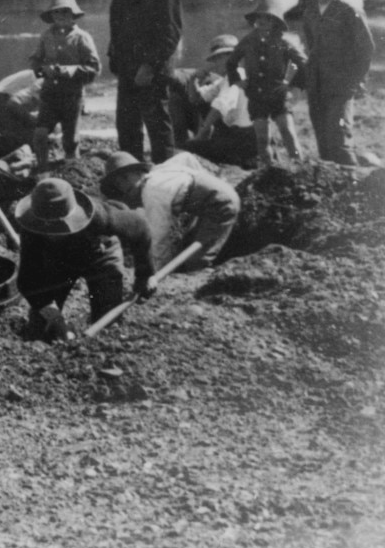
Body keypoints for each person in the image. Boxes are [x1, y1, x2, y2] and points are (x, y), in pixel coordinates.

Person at [13, 176, 153, 342]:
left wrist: (145, 275)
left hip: (99, 254)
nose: (52, 234)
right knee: (40, 329)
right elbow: (27, 281)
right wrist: (57, 320)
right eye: (47, 230)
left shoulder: (100, 217)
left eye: (58, 228)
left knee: (107, 324)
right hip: (58, 261)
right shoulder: (31, 229)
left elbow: (140, 227)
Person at [107, 0, 183, 165]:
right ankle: (133, 172)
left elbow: (171, 33)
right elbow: (118, 20)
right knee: (126, 124)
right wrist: (114, 55)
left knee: (157, 124)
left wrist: (149, 66)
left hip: (152, 69)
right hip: (127, 65)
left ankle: (165, 174)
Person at [100, 151, 240, 275]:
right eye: (118, 184)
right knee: (186, 243)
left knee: (195, 262)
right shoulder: (161, 170)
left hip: (221, 206)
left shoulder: (151, 192)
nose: (123, 186)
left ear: (137, 172)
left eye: (124, 178)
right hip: (219, 196)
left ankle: (203, 283)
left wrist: (155, 273)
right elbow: (187, 157)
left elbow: (160, 239)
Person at [294, 0, 375, 166]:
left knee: (338, 137)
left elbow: (365, 49)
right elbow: (311, 48)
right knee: (322, 140)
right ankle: (331, 187)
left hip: (341, 84)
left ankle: (353, 184)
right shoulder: (310, 13)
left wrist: (355, 81)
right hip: (318, 84)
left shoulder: (348, 10)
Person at [231, 0, 309, 167]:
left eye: (268, 18)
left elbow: (304, 64)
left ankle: (299, 168)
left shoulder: (284, 42)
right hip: (256, 95)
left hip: (278, 94)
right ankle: (268, 169)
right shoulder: (248, 41)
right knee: (262, 138)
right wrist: (237, 80)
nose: (263, 22)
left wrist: (295, 87)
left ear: (276, 21)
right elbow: (231, 62)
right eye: (259, 18)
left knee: (288, 132)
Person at [29, 0, 101, 166]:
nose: (60, 16)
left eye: (65, 12)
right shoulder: (46, 36)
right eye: (56, 12)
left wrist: (71, 70)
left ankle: (72, 169)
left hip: (72, 95)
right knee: (40, 133)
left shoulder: (81, 38)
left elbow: (94, 68)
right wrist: (44, 69)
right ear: (51, 15)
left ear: (73, 14)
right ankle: (42, 168)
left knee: (71, 140)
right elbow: (35, 61)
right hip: (49, 94)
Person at [178, 34, 258, 167]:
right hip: (241, 135)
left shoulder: (238, 75)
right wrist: (193, 80)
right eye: (216, 58)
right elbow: (196, 99)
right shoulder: (224, 80)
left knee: (186, 149)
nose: (217, 62)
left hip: (246, 136)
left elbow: (220, 106)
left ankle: (243, 159)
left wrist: (201, 134)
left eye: (223, 57)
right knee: (189, 147)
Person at [0, 70, 45, 159]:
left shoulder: (38, 74)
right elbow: (15, 103)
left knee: (30, 136)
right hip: (1, 103)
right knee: (34, 139)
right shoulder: (43, 77)